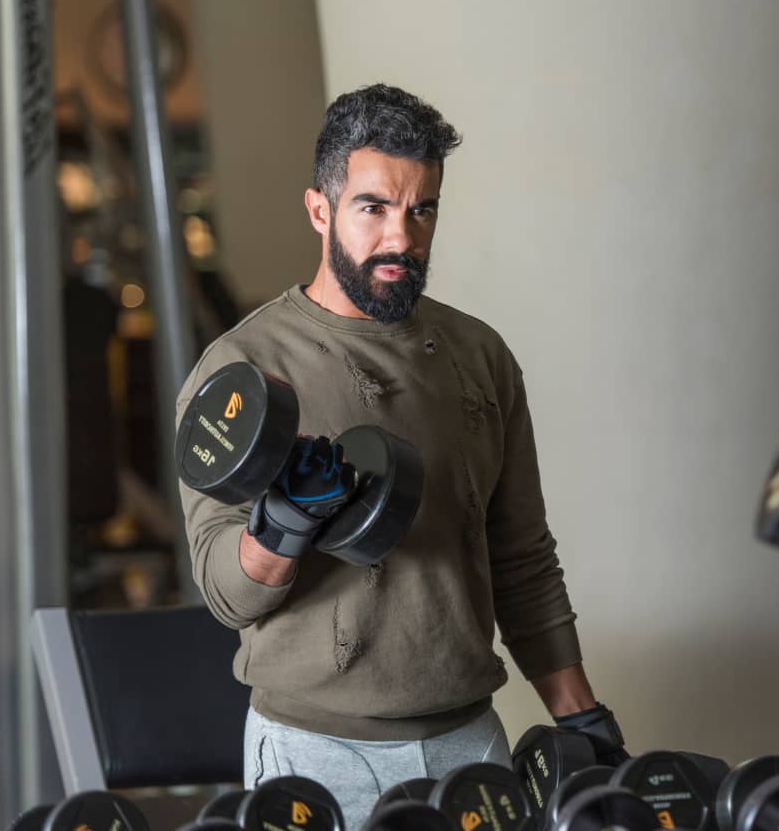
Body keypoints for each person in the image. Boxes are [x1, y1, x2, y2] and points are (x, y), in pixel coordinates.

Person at [176, 84, 623, 829]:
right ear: (321, 209)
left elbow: (522, 557)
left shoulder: (479, 355)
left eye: (422, 210)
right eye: (373, 207)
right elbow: (225, 593)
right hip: (316, 755)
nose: (401, 238)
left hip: (470, 742)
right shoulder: (244, 369)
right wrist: (282, 526)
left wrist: (578, 715)